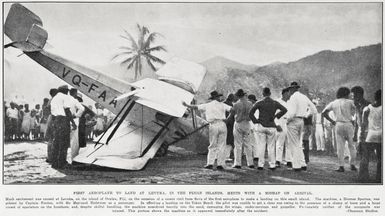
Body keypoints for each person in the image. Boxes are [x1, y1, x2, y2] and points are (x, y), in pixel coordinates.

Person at [183, 90, 231, 170]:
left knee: (212, 144)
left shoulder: (207, 105)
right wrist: (228, 118)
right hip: (222, 124)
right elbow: (233, 110)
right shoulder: (223, 105)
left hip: (213, 125)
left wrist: (186, 105)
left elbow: (195, 107)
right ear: (217, 97)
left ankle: (210, 163)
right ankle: (220, 164)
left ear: (212, 98)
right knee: (222, 145)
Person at [249, 87, 287, 170]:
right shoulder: (274, 103)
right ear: (270, 94)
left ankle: (260, 164)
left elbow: (250, 113)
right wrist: (276, 116)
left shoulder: (260, 103)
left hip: (261, 125)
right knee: (271, 146)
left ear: (263, 94)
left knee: (261, 146)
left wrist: (256, 121)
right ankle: (272, 164)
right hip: (271, 126)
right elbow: (284, 110)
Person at [322, 87, 357, 172]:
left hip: (338, 124)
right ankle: (352, 164)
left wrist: (332, 121)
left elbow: (324, 113)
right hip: (348, 123)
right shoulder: (350, 102)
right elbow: (357, 110)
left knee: (340, 146)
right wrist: (354, 119)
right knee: (352, 145)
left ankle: (341, 166)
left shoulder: (334, 102)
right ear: (346, 93)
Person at [286, 82, 317, 172]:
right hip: (301, 120)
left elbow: (292, 113)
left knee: (293, 144)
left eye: (290, 90)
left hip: (294, 121)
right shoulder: (304, 97)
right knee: (299, 143)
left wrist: (287, 121)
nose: (289, 91)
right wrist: (306, 115)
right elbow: (314, 109)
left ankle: (296, 165)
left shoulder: (293, 97)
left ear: (292, 89)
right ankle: (303, 163)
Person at [50, 85, 77, 169]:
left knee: (56, 142)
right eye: (67, 91)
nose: (68, 92)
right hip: (63, 120)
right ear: (65, 91)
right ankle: (62, 162)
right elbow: (67, 110)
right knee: (64, 142)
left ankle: (54, 162)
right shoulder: (65, 97)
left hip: (55, 120)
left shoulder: (54, 98)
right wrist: (73, 122)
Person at [358, 89, 381, 182]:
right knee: (380, 158)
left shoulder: (367, 108)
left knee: (365, 156)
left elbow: (363, 125)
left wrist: (361, 137)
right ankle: (379, 178)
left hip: (370, 135)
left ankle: (363, 177)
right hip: (381, 135)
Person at [227, 89, 253, 169]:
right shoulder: (250, 103)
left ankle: (237, 163)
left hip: (238, 123)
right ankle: (250, 163)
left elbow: (231, 116)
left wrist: (224, 120)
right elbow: (252, 114)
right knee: (248, 144)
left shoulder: (236, 104)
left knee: (238, 144)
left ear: (238, 96)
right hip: (247, 123)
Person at [275, 88, 292, 168]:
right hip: (280, 121)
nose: (290, 95)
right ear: (285, 93)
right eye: (288, 93)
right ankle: (278, 160)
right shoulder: (277, 102)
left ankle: (289, 160)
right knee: (279, 142)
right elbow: (273, 114)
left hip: (288, 122)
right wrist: (276, 124)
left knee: (289, 143)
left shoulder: (290, 102)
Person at [351, 86, 370, 155]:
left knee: (365, 153)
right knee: (361, 152)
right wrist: (355, 134)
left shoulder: (368, 106)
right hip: (361, 132)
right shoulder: (357, 106)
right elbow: (356, 120)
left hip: (367, 132)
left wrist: (361, 134)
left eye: (353, 96)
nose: (352, 98)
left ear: (358, 95)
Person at [69, 88, 85, 160]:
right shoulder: (74, 101)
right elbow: (82, 109)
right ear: (75, 93)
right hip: (74, 120)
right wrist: (76, 115)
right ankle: (74, 158)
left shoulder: (65, 99)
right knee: (74, 140)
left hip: (64, 120)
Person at [45, 88, 58, 163]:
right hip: (54, 118)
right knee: (53, 138)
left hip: (50, 118)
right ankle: (52, 157)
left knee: (51, 139)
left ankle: (50, 156)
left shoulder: (50, 100)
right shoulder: (54, 100)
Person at [223, 93, 235, 162]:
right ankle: (227, 156)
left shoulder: (222, 104)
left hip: (222, 123)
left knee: (221, 140)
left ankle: (218, 156)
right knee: (229, 141)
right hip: (229, 125)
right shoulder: (232, 105)